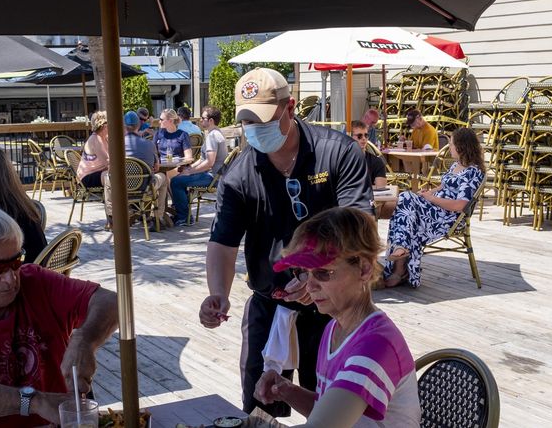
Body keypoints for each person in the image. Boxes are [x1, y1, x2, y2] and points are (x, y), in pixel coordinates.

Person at [199, 67, 372, 417]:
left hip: (336, 308)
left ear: (290, 108)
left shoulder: (337, 153)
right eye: (247, 122)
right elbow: (223, 242)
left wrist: (317, 276)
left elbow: (360, 228)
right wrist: (218, 293)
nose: (255, 130)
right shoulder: (239, 175)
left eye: (263, 120)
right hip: (270, 301)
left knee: (328, 410)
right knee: (260, 406)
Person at [0, 204, 119, 427]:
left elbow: (111, 302)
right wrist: (32, 401)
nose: (10, 279)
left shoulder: (35, 282)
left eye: (15, 262)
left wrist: (85, 339)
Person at [254, 207, 421, 427]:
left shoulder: (376, 345)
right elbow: (328, 411)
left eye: (323, 273)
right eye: (303, 272)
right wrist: (288, 391)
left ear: (363, 269)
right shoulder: (334, 328)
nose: (310, 285)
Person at [383, 127, 484, 288]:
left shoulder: (472, 172)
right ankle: (401, 259)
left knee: (405, 199)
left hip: (448, 218)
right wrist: (429, 192)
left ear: (461, 147)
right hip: (435, 210)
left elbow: (460, 205)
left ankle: (400, 263)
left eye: (451, 144)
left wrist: (432, 198)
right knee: (406, 202)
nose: (449, 147)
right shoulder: (456, 165)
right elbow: (444, 186)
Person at [104, 111, 170, 229]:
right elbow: (156, 168)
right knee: (164, 178)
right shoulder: (150, 144)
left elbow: (110, 169)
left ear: (123, 126)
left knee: (106, 177)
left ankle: (111, 216)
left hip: (122, 188)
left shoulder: (116, 145)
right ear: (138, 126)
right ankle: (157, 217)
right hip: (146, 188)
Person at [170, 106, 228, 226]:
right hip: (217, 175)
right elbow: (202, 159)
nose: (200, 120)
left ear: (210, 120)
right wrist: (189, 169)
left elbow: (209, 162)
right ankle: (184, 213)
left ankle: (183, 217)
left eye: (203, 118)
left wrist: (191, 172)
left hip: (212, 177)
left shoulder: (212, 136)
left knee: (176, 182)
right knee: (181, 176)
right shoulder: (217, 132)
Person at [76, 111, 109, 189]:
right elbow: (108, 162)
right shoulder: (96, 139)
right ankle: (111, 201)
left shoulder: (104, 138)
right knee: (113, 177)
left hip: (97, 173)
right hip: (86, 177)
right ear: (103, 125)